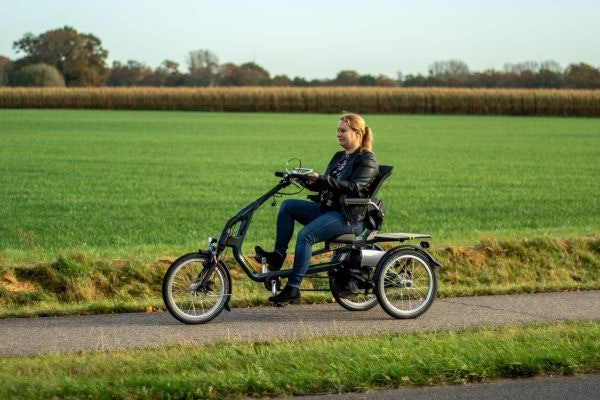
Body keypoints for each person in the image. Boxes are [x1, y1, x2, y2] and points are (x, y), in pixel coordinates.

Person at [255, 113, 379, 305]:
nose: (338, 134)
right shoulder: (340, 157)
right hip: (328, 210)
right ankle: (277, 257)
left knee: (306, 235)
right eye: (337, 130)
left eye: (343, 130)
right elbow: (327, 185)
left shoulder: (367, 160)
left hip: (349, 218)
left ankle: (293, 289)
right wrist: (305, 180)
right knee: (287, 206)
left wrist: (321, 178)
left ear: (358, 133)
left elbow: (354, 187)